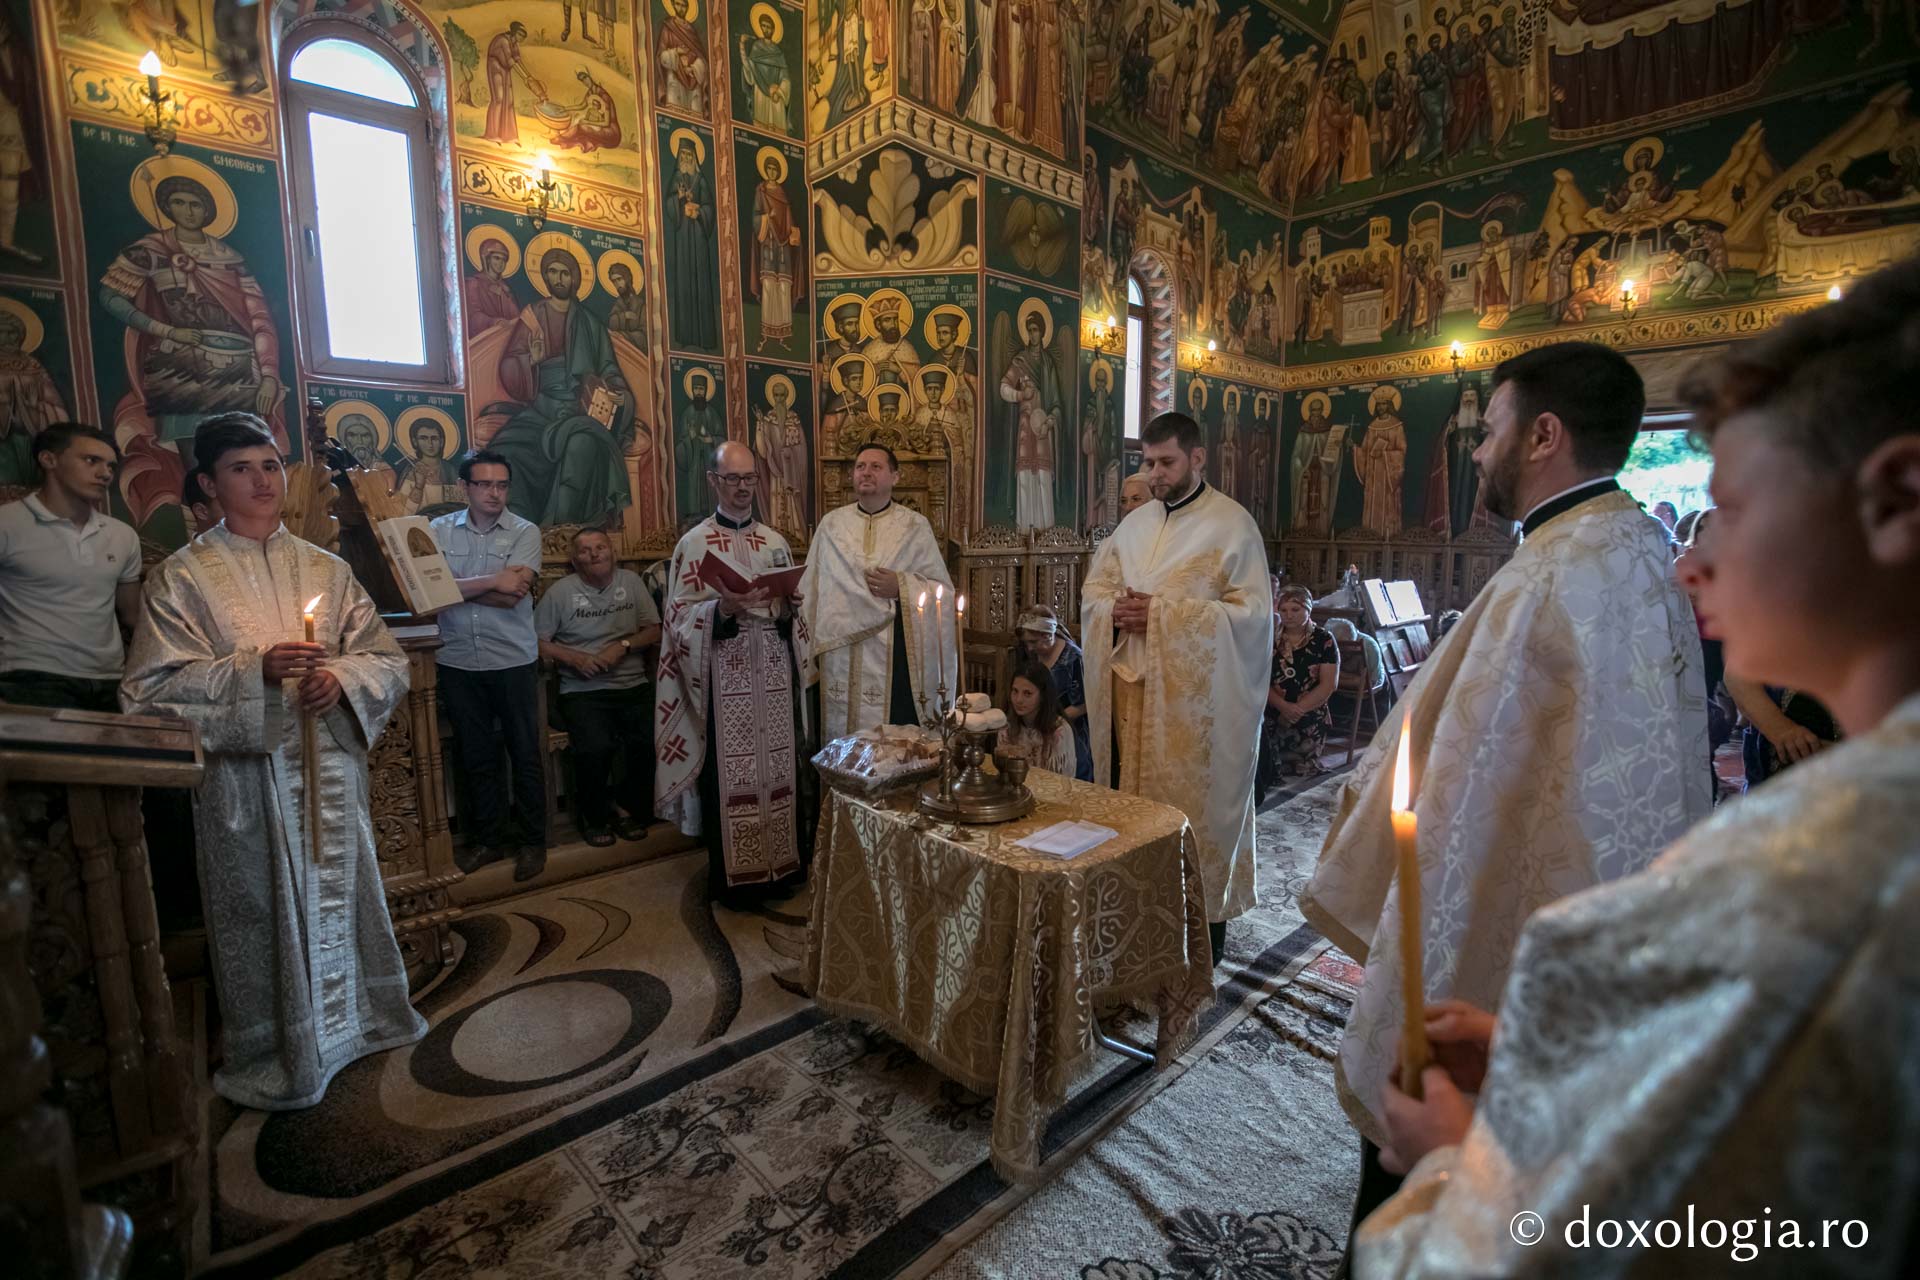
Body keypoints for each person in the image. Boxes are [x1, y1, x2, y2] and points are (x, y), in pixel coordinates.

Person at [1352, 256, 1920, 1280]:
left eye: (1732, 504)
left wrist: (1450, 1166)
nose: (1694, 556)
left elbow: (1653, 1237)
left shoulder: (1846, 880)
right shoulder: (1632, 556)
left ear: (1897, 497)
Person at [1304, 341, 1711, 1237]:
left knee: (1434, 1140)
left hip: (1518, 919)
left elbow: (1454, 786)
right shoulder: (1640, 546)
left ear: (1544, 436)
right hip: (1616, 909)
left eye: (1490, 431)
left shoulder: (1546, 578)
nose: (1478, 452)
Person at [120, 412, 423, 1109]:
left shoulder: (328, 568)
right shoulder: (182, 578)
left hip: (329, 777)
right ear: (208, 483)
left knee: (340, 890)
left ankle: (362, 1022)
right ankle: (276, 1044)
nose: (261, 480)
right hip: (247, 784)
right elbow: (148, 692)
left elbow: (384, 657)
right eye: (241, 469)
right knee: (262, 907)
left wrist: (339, 681)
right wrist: (252, 672)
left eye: (270, 465)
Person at [1083, 412, 1273, 966]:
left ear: (1197, 458)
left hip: (1197, 719)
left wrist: (1163, 617)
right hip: (1129, 704)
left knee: (1192, 822)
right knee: (1131, 822)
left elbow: (1254, 618)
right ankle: (1129, 939)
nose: (1156, 474)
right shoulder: (1134, 525)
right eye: (1148, 462)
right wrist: (1112, 611)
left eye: (1167, 462)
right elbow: (1096, 590)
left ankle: (1195, 954)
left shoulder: (1233, 526)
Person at [656, 441, 808, 904]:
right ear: (713, 481)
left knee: (781, 769)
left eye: (749, 479)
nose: (743, 488)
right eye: (733, 479)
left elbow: (794, 618)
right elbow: (677, 620)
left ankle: (783, 871)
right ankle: (736, 883)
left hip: (775, 673)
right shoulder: (694, 544)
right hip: (724, 675)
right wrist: (721, 610)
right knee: (733, 777)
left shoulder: (775, 542)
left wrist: (789, 607)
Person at [430, 450, 548, 881]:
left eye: (502, 485)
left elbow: (514, 594)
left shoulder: (524, 532)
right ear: (465, 488)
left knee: (525, 753)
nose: (495, 493)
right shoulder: (436, 531)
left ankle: (534, 842)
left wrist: (451, 587)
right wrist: (493, 579)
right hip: (458, 659)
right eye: (485, 484)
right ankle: (489, 840)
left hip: (511, 659)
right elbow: (425, 592)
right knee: (475, 755)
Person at [797, 442, 953, 738]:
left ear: (895, 476)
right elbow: (811, 589)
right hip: (838, 650)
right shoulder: (831, 526)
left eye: (876, 466)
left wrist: (902, 585)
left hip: (892, 654)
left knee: (889, 745)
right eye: (859, 467)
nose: (865, 472)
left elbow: (942, 590)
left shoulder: (914, 527)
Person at [0, 424, 142, 711]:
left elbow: (132, 616)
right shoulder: (7, 523)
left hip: (111, 681)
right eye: (91, 461)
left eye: (110, 466)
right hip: (31, 679)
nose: (105, 474)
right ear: (49, 460)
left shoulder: (122, 535)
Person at [536, 527, 660, 848]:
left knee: (649, 741)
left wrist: (623, 645)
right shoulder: (560, 593)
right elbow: (535, 642)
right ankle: (593, 816)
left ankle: (625, 807)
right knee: (594, 746)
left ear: (612, 552)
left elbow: (654, 631)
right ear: (574, 560)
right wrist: (574, 658)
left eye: (600, 547)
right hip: (582, 691)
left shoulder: (631, 583)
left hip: (632, 684)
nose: (594, 554)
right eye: (585, 550)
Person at [1259, 585, 1339, 793]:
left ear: (1308, 610)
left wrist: (1297, 710)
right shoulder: (1269, 638)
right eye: (1283, 610)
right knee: (1271, 768)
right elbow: (1259, 678)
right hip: (1274, 711)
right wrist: (1284, 707)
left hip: (1310, 712)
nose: (1288, 616)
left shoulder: (1324, 640)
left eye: (1295, 610)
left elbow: (1329, 684)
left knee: (1302, 771)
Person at [1016, 604, 1092, 782]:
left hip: (1068, 732)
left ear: (1048, 635)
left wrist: (1052, 720)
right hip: (1036, 728)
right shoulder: (1032, 653)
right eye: (1026, 643)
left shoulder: (1074, 658)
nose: (1029, 648)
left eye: (1033, 642)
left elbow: (1084, 705)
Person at [998, 659, 1077, 777]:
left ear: (1042, 696)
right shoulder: (1006, 727)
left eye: (1027, 693)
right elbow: (1003, 773)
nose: (1018, 700)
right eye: (1015, 691)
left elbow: (1062, 780)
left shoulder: (1059, 731)